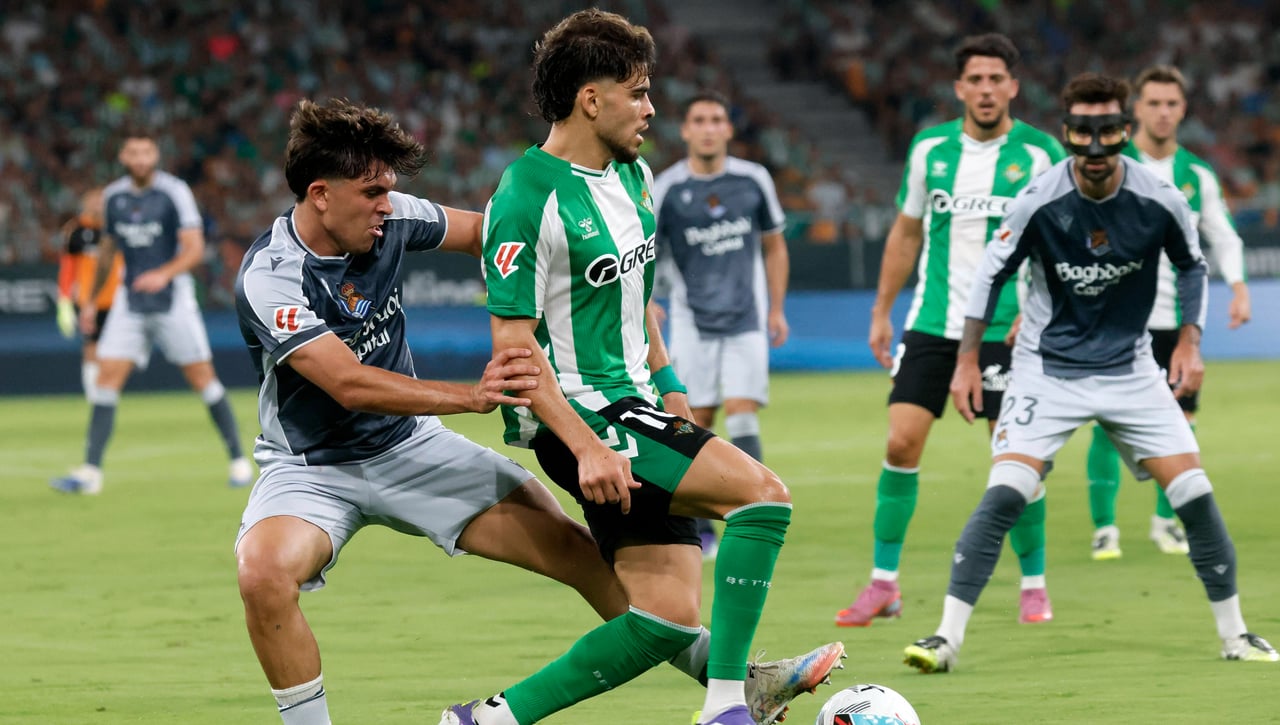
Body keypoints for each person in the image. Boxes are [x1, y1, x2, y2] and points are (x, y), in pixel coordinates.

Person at [235, 97, 840, 725]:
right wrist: (473, 396)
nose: (387, 204)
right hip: (311, 467)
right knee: (262, 574)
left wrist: (593, 283)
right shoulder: (272, 276)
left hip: (411, 448)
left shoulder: (397, 217)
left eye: (390, 189)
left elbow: (498, 234)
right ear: (320, 193)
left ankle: (742, 683)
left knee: (577, 552)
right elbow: (349, 383)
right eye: (372, 192)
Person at [442, 10, 843, 725]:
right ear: (591, 100)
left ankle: (487, 720)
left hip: (636, 404)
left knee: (664, 618)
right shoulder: (526, 195)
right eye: (638, 92)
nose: (652, 109)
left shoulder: (633, 175)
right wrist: (586, 444)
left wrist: (674, 388)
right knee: (763, 497)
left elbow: (641, 302)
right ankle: (729, 705)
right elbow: (514, 347)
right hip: (582, 416)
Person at [903, 72, 1278, 674]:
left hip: (1131, 369)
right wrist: (969, 358)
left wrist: (1190, 342)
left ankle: (1236, 635)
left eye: (1108, 131)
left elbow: (1191, 265)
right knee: (1006, 493)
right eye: (1084, 132)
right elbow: (989, 276)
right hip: (1046, 372)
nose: (1097, 147)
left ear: (1125, 131)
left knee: (1195, 496)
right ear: (1067, 132)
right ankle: (945, 639)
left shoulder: (1162, 196)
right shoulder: (1038, 198)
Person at [835, 33, 1067, 628]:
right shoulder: (930, 149)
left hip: (1006, 326)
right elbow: (907, 233)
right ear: (959, 88)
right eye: (975, 80)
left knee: (1014, 454)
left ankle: (1034, 584)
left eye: (997, 79)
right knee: (899, 444)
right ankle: (884, 584)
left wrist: (1036, 308)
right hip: (933, 323)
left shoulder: (1040, 155)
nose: (986, 90)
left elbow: (1057, 242)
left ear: (1013, 86)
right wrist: (881, 309)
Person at [1084, 64, 1252, 561]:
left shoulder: (1196, 175)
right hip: (1116, 318)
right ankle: (1105, 528)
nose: (1162, 112)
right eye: (1153, 103)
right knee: (1106, 423)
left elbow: (1222, 234)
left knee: (1179, 422)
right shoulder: (1109, 166)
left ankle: (1165, 522)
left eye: (1171, 104)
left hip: (1178, 325)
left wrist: (1239, 286)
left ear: (1183, 110)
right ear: (1136, 110)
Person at [50, 129, 251, 494]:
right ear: (124, 158)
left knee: (202, 378)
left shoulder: (174, 193)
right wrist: (92, 301)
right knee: (107, 377)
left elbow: (193, 248)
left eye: (146, 151)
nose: (140, 158)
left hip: (173, 299)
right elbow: (109, 251)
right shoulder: (113, 196)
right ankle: (91, 474)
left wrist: (163, 273)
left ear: (155, 155)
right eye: (133, 152)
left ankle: (239, 460)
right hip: (130, 300)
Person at [650, 89, 791, 560]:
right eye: (699, 120)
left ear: (728, 129)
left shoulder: (753, 180)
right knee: (695, 420)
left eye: (716, 119)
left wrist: (776, 308)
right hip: (692, 322)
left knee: (743, 410)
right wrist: (647, 299)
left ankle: (754, 517)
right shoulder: (668, 187)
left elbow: (773, 244)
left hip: (747, 319)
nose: (709, 128)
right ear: (686, 130)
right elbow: (645, 251)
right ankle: (701, 529)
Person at [54, 187, 123, 400]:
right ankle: (94, 395)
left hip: (118, 299)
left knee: (116, 348)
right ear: (85, 203)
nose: (98, 205)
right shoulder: (75, 231)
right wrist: (64, 301)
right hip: (88, 301)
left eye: (102, 200)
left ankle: (110, 389)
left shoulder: (117, 228)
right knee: (91, 346)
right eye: (94, 200)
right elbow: (67, 268)